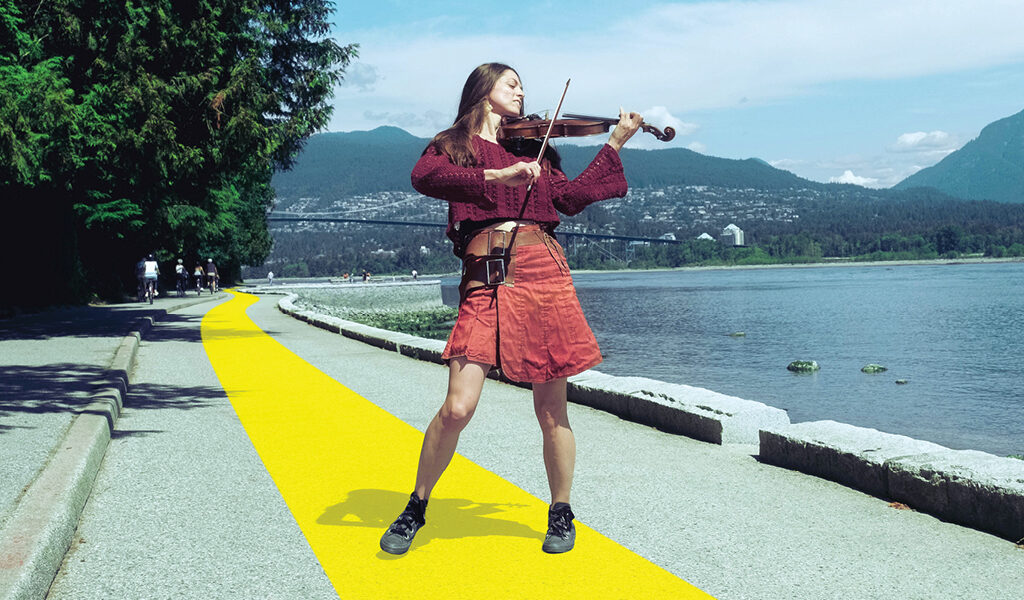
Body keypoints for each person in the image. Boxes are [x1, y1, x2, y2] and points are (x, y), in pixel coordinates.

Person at [379, 62, 641, 556]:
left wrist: (615, 143)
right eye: (511, 84)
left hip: (543, 269)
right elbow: (425, 176)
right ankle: (416, 505)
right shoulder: (453, 145)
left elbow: (572, 198)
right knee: (458, 407)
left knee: (551, 410)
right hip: (486, 272)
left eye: (522, 86)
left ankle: (561, 511)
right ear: (483, 91)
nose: (521, 92)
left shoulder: (534, 149)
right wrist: (497, 173)